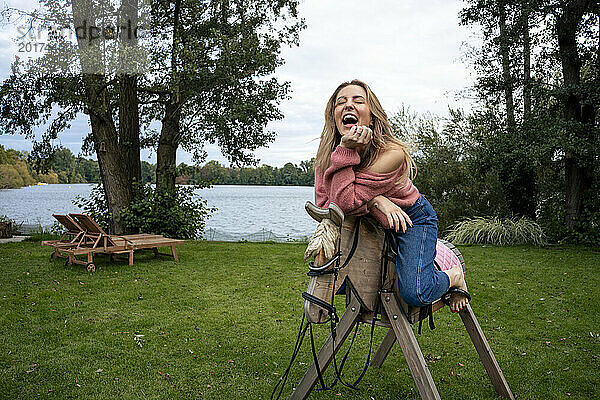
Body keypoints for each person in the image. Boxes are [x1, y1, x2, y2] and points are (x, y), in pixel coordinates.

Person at [314, 79, 469, 313]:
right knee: (338, 279)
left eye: (358, 101)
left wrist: (347, 152)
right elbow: (327, 206)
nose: (348, 105)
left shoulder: (392, 154)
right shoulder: (328, 155)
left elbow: (346, 203)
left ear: (372, 117)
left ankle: (453, 275)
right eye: (340, 102)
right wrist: (377, 200)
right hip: (375, 218)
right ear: (333, 116)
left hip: (412, 218)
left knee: (415, 291)